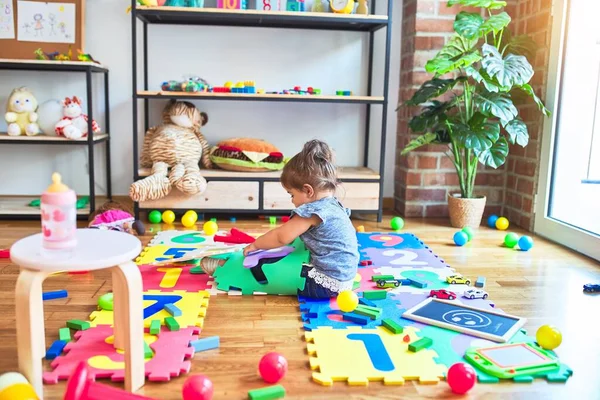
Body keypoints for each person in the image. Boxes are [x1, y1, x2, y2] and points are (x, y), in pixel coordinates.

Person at [200, 139, 359, 298]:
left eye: (292, 194)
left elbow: (280, 237)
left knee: (276, 267)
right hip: (345, 279)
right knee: (287, 250)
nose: (292, 200)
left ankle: (227, 268)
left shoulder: (313, 210)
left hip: (324, 284)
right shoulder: (333, 205)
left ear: (308, 191)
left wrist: (256, 245)